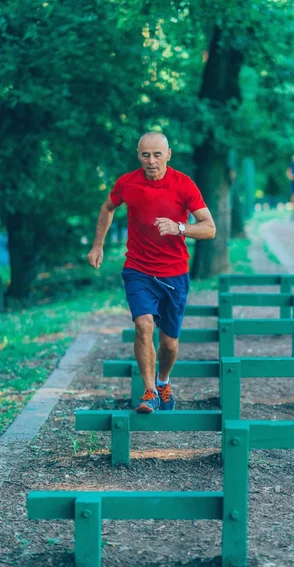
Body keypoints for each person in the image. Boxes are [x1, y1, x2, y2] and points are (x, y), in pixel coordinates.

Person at [87, 132, 216, 413]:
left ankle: (163, 381)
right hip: (138, 269)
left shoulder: (184, 185)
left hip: (174, 273)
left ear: (168, 154)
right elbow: (108, 207)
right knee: (143, 324)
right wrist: (98, 245)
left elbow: (209, 227)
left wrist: (180, 227)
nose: (151, 161)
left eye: (157, 154)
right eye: (145, 154)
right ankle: (149, 393)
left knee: (169, 343)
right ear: (138, 155)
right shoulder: (128, 183)